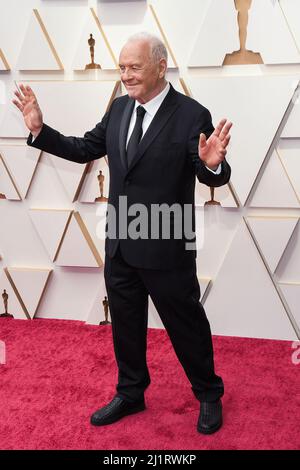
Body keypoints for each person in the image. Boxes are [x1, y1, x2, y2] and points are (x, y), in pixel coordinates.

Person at [13, 32, 232, 435]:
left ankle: (208, 393)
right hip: (120, 245)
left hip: (168, 243)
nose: (126, 75)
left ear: (161, 67)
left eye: (134, 67)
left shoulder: (191, 115)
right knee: (126, 326)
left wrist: (213, 165)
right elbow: (85, 148)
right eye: (122, 67)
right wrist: (41, 131)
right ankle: (131, 392)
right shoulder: (118, 109)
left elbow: (206, 169)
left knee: (186, 325)